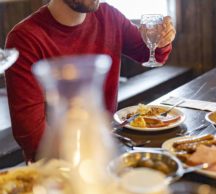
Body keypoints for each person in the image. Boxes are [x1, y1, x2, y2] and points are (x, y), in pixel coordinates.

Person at [5, 0, 176, 162]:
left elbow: (148, 53)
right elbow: (31, 135)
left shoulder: (109, 16)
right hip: (55, 164)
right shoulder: (25, 37)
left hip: (106, 149)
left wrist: (162, 39)